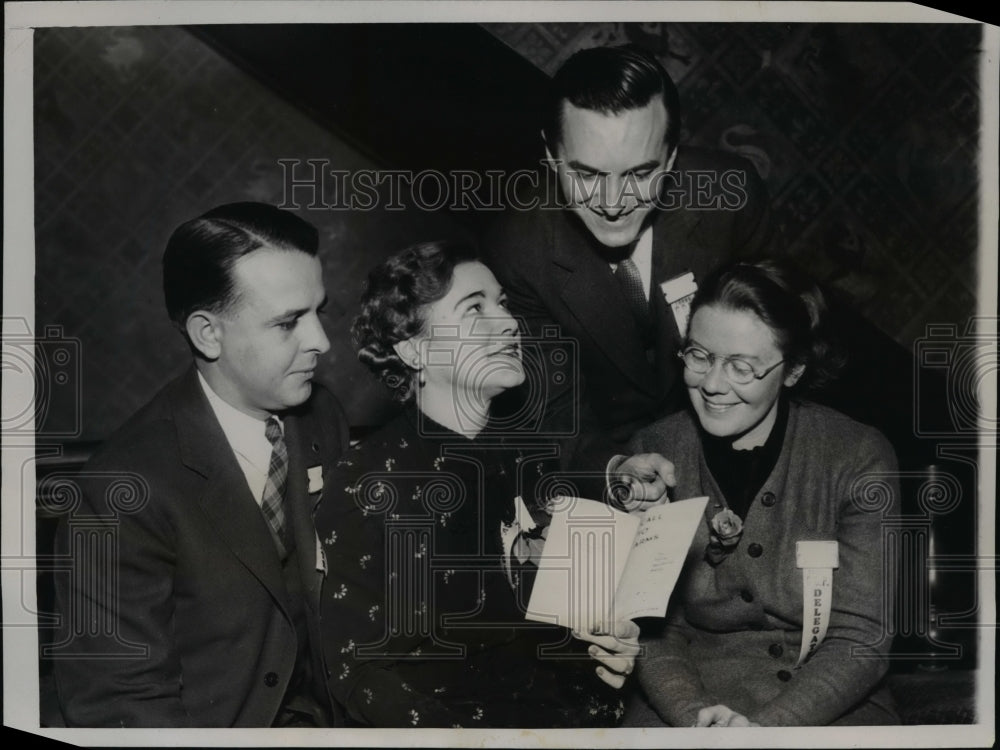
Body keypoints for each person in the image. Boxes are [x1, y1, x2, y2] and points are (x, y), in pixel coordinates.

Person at [315, 241, 645, 728]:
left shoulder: (528, 457)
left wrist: (605, 651)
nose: (509, 323)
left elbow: (553, 625)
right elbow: (355, 669)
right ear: (414, 348)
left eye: (503, 303)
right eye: (474, 309)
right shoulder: (371, 481)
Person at [52, 202, 349, 727]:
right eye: (288, 323)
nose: (321, 341)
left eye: (319, 311)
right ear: (208, 333)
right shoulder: (117, 491)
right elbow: (121, 706)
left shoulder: (321, 416)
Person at [624, 259, 899, 727]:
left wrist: (769, 731)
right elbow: (653, 628)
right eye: (699, 355)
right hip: (687, 700)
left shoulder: (858, 456)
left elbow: (861, 638)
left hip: (827, 702)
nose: (712, 384)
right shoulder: (653, 453)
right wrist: (694, 718)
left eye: (742, 367)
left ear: (791, 371)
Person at [482, 43, 773, 455]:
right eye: (586, 175)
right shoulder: (515, 251)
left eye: (640, 173)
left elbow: (780, 321)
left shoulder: (732, 194)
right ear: (551, 155)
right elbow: (555, 407)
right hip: (618, 447)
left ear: (671, 157)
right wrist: (614, 471)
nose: (613, 203)